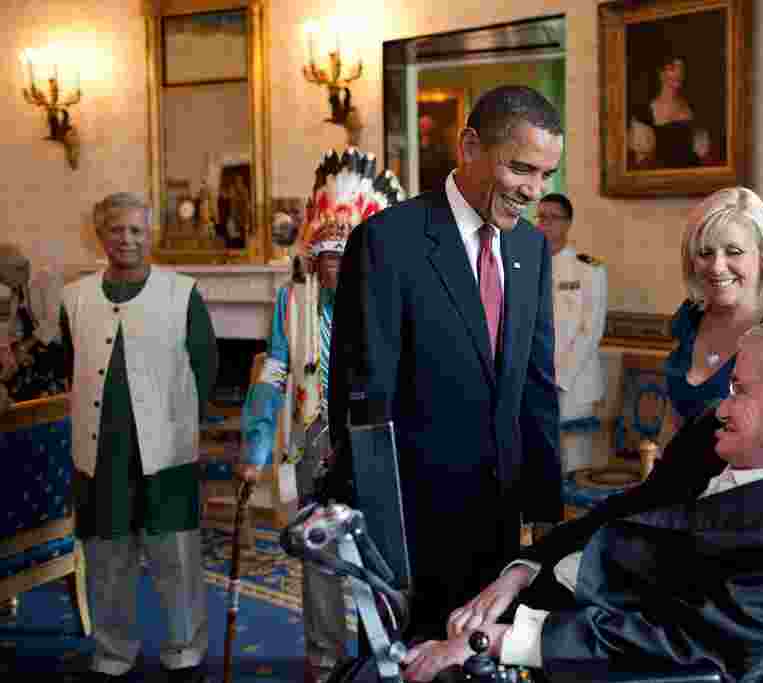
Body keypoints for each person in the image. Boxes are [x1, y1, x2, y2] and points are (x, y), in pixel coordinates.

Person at [400, 319, 763, 682]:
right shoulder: (712, 438)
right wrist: (523, 570)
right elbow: (627, 507)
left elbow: (683, 646)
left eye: (739, 390)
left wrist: (501, 641)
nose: (721, 407)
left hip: (588, 649)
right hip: (554, 593)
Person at [326, 85, 565, 639]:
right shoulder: (389, 240)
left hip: (500, 514)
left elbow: (536, 381)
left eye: (545, 174)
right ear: (469, 146)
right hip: (412, 523)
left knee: (484, 658)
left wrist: (545, 505)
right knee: (414, 662)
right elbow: (363, 396)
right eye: (521, 169)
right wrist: (375, 524)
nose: (534, 191)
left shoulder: (530, 249)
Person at [236, 148, 403, 683]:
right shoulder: (292, 303)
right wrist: (256, 444)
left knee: (380, 551)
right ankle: (324, 658)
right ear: (311, 258)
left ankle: (386, 651)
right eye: (324, 255)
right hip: (313, 439)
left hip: (374, 440)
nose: (333, 265)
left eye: (342, 253)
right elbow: (276, 372)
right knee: (317, 549)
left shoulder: (382, 298)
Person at [61, 192, 218, 682]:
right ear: (100, 235)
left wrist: (177, 422)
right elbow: (70, 367)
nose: (126, 240)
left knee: (176, 558)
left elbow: (205, 366)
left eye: (136, 230)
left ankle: (184, 652)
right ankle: (112, 654)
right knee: (106, 559)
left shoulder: (182, 292)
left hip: (165, 451)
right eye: (116, 230)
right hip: (98, 454)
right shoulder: (75, 297)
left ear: (149, 234)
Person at [664, 187, 763, 427]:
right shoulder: (688, 318)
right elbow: (673, 427)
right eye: (705, 253)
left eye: (734, 252)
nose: (717, 267)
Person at [534, 194, 608, 475]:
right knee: (541, 468)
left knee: (576, 467)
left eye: (553, 217)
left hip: (575, 384)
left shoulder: (588, 267)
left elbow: (591, 330)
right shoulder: (526, 265)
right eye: (540, 217)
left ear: (568, 223)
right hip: (537, 380)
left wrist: (559, 377)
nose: (545, 224)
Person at [0, 243, 67, 409]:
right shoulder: (15, 282)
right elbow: (8, 323)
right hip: (36, 344)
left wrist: (22, 348)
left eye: (4, 279)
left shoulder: (47, 278)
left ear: (21, 269)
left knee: (51, 401)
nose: (5, 285)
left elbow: (51, 326)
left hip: (60, 343)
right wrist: (8, 350)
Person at [628, 55, 714, 169]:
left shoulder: (692, 109)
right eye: (672, 68)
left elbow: (703, 154)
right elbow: (642, 162)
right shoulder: (644, 112)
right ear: (661, 74)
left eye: (682, 68)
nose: (679, 73)